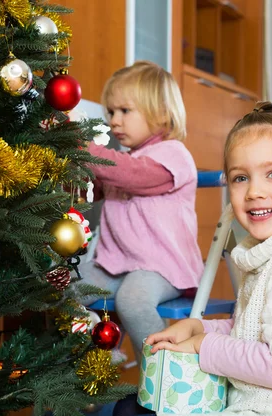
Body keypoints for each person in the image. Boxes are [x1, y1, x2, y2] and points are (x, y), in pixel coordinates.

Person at [115, 101, 272, 416]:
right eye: (240, 178)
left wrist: (203, 346)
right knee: (127, 407)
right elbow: (254, 330)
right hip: (251, 404)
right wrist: (198, 327)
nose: (254, 191)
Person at [79, 61, 204, 358]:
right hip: (118, 263)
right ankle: (98, 352)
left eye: (125, 111)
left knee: (133, 301)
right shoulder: (127, 160)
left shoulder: (171, 155)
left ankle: (161, 373)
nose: (114, 121)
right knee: (68, 283)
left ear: (160, 113)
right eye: (111, 112)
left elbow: (132, 175)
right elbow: (96, 190)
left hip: (162, 266)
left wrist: (83, 149)